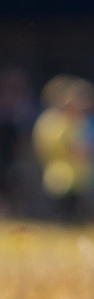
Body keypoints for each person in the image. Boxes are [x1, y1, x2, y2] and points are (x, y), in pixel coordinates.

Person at [37, 76, 94, 223]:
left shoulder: (78, 121)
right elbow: (48, 146)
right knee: (62, 213)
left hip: (79, 176)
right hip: (59, 175)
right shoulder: (50, 121)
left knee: (77, 213)